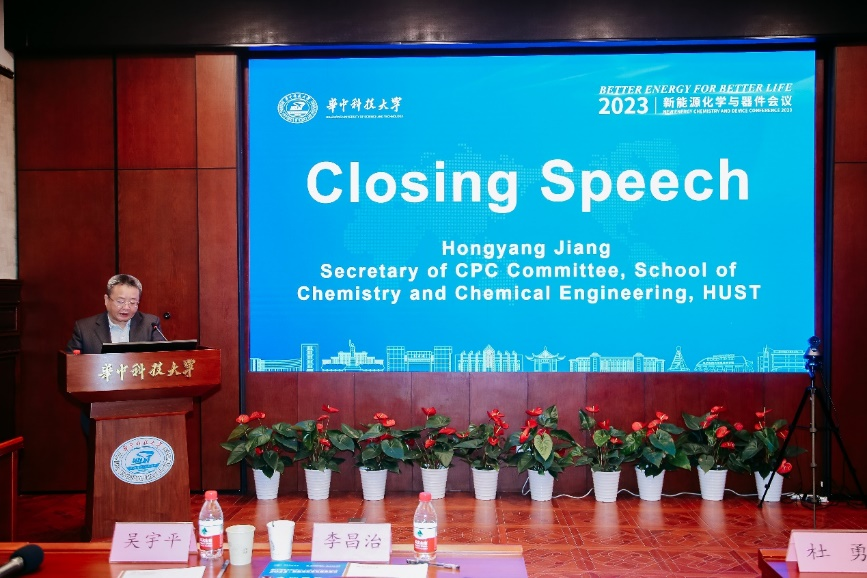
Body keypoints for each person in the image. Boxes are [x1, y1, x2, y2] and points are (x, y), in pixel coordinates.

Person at [66, 273, 166, 354]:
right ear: (106, 300)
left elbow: (164, 357)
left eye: (132, 302)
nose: (126, 307)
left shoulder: (150, 325)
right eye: (120, 301)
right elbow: (72, 365)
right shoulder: (84, 328)